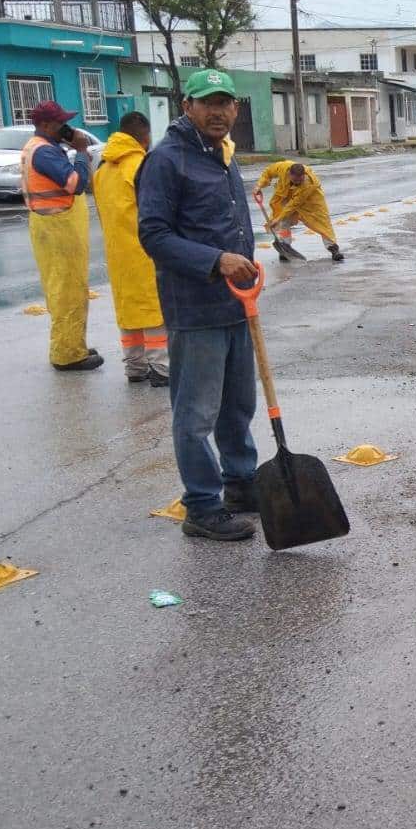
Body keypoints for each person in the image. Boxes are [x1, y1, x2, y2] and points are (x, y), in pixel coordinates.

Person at [137, 68, 262, 542]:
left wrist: (243, 264)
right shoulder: (168, 160)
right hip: (195, 308)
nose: (218, 111)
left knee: (237, 406)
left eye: (226, 102)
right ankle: (202, 506)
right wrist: (217, 260)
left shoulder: (220, 155)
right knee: (196, 414)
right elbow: (154, 234)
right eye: (207, 102)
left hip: (235, 304)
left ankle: (241, 483)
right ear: (186, 106)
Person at [21, 100, 100, 371]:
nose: (66, 127)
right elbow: (75, 185)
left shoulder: (43, 148)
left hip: (51, 226)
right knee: (68, 291)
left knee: (67, 288)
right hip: (57, 227)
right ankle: (68, 355)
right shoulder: (44, 152)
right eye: (60, 123)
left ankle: (72, 343)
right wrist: (79, 150)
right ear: (44, 125)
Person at [94, 112, 168, 386]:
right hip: (145, 251)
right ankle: (161, 366)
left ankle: (135, 366)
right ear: (145, 137)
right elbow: (156, 210)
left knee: (128, 312)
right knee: (153, 310)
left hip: (117, 254)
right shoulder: (141, 165)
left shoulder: (102, 170)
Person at [254, 160, 344, 262]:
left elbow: (293, 204)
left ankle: (333, 249)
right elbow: (268, 172)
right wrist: (259, 186)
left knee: (322, 223)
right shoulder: (283, 167)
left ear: (304, 175)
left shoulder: (308, 182)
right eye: (294, 181)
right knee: (283, 223)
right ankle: (285, 247)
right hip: (287, 196)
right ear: (289, 174)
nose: (297, 183)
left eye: (299, 181)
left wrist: (277, 219)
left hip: (311, 201)